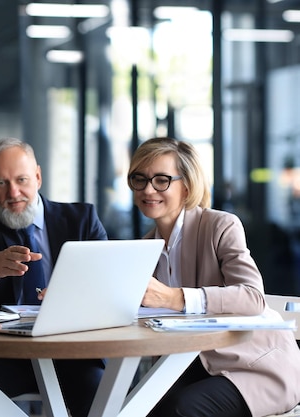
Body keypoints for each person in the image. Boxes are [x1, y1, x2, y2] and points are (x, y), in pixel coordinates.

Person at [128, 137, 300, 417]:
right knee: (136, 405)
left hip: (255, 368)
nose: (148, 189)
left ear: (187, 186)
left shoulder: (220, 225)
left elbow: (252, 297)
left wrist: (176, 298)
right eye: (140, 179)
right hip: (193, 364)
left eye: (161, 180)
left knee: (183, 409)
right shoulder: (145, 248)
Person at [0, 137, 107, 417]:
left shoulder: (81, 217)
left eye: (21, 180)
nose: (13, 193)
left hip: (74, 352)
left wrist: (71, 294)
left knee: (104, 401)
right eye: (1, 183)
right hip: (9, 353)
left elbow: (106, 277)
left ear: (37, 176)